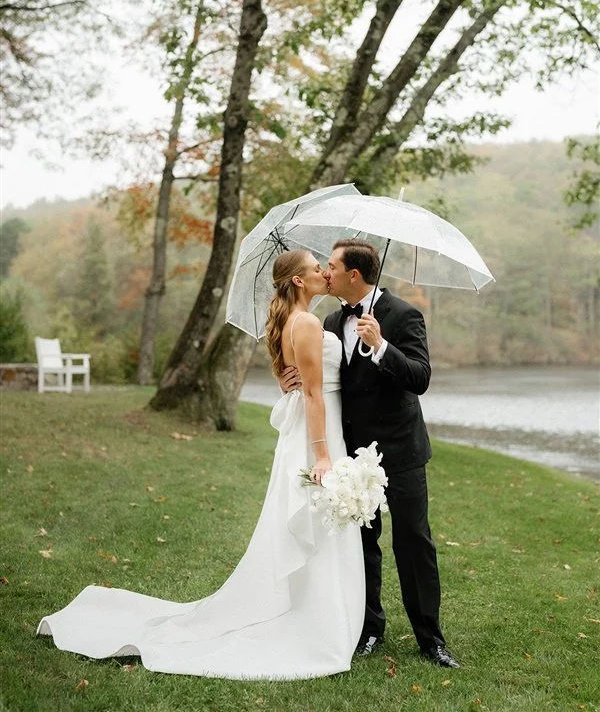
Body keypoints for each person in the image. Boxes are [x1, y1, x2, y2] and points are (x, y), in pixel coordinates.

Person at [37, 249, 364, 679]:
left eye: (327, 266)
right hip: (316, 435)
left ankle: (314, 606)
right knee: (317, 519)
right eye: (315, 268)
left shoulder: (296, 321)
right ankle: (315, 617)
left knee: (316, 521)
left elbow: (297, 380)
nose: (324, 271)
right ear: (299, 281)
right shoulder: (304, 323)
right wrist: (322, 455)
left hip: (316, 428)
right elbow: (312, 394)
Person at [280, 239, 459, 669]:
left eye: (332, 266)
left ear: (353, 275)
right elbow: (320, 381)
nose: (326, 272)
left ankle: (430, 638)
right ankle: (369, 628)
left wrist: (381, 345)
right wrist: (291, 382)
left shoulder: (403, 315)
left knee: (414, 542)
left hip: (401, 449)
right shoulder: (328, 318)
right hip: (352, 451)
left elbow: (420, 378)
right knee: (362, 543)